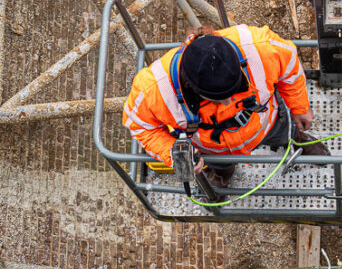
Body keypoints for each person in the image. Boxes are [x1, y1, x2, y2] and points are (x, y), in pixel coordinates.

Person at [124, 23, 327, 189]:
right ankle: (222, 174)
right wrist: (176, 155)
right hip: (211, 148)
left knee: (286, 130)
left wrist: (299, 108)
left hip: (268, 122)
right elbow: (141, 127)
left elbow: (290, 69)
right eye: (217, 98)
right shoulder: (152, 90)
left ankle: (297, 140)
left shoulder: (261, 47)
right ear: (191, 86)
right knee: (219, 164)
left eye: (234, 91)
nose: (228, 103)